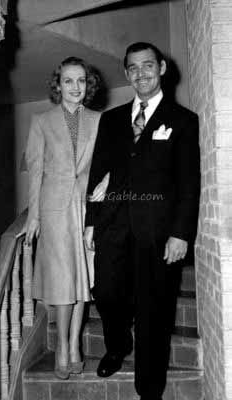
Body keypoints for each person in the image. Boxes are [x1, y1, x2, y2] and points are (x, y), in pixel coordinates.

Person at [84, 42, 200, 400]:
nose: (140, 73)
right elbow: (98, 172)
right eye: (132, 68)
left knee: (155, 310)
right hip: (113, 225)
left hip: (157, 231)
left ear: (162, 68)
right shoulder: (112, 119)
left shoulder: (182, 120)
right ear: (127, 73)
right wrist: (92, 221)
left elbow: (188, 182)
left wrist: (180, 233)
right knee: (104, 292)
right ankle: (118, 344)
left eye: (147, 65)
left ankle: (149, 388)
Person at [25, 56, 104, 380]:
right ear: (58, 85)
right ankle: (61, 347)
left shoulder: (101, 120)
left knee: (82, 279)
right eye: (69, 80)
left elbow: (112, 162)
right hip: (54, 209)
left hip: (88, 209)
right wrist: (33, 217)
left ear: (89, 86)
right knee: (62, 282)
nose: (75, 87)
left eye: (81, 81)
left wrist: (105, 185)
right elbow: (35, 172)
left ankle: (74, 346)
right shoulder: (41, 121)